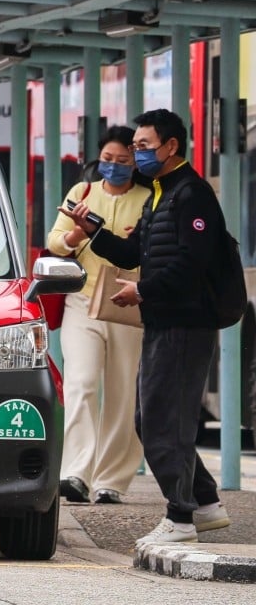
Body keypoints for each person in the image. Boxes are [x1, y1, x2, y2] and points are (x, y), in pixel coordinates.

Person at [62, 109, 231, 544]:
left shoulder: (192, 195)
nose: (136, 155)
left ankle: (180, 518)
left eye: (143, 146)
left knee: (162, 421)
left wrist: (143, 290)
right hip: (162, 321)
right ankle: (206, 504)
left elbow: (192, 261)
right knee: (154, 418)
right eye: (134, 147)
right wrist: (91, 229)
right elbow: (133, 251)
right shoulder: (160, 194)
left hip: (185, 324)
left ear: (171, 146)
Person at [46, 126, 149, 505]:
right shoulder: (82, 192)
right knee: (82, 383)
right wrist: (75, 235)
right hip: (82, 302)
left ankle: (111, 480)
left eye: (123, 160)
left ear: (135, 163)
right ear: (98, 158)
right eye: (108, 159)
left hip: (128, 304)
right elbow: (55, 241)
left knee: (122, 392)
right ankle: (75, 473)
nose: (114, 166)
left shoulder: (148, 199)